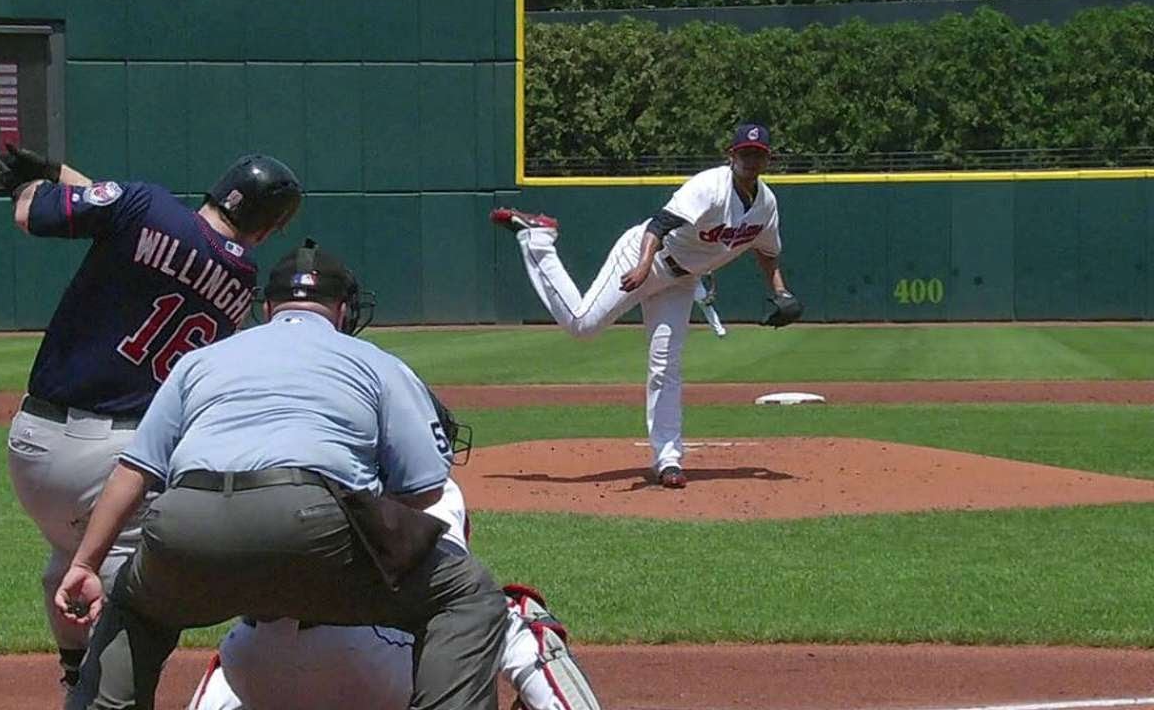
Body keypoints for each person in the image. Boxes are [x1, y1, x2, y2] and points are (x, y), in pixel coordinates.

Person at [54, 241, 509, 710]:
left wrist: (86, 564)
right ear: (344, 310)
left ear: (267, 307)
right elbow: (425, 488)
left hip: (185, 522)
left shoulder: (200, 361)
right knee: (468, 599)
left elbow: (135, 471)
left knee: (136, 608)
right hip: (312, 520)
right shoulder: (375, 361)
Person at [0, 145, 302, 690]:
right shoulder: (240, 280)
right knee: (129, 588)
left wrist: (29, 184)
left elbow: (35, 213)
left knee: (70, 558)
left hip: (32, 448)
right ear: (268, 229)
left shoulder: (145, 206)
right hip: (115, 463)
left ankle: (73, 675)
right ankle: (101, 693)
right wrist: (56, 173)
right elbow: (147, 225)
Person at [184, 406, 601, 710]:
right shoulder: (440, 491)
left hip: (254, 670)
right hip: (371, 667)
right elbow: (453, 605)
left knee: (245, 635)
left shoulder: (305, 473)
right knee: (508, 611)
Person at [491, 123, 803, 489]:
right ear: (731, 155)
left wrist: (782, 293)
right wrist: (641, 268)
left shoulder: (765, 204)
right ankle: (538, 240)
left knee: (665, 367)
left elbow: (767, 252)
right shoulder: (710, 187)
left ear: (769, 159)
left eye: (758, 154)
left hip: (681, 280)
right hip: (644, 256)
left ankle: (667, 459)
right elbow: (658, 226)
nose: (751, 160)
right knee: (582, 325)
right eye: (745, 153)